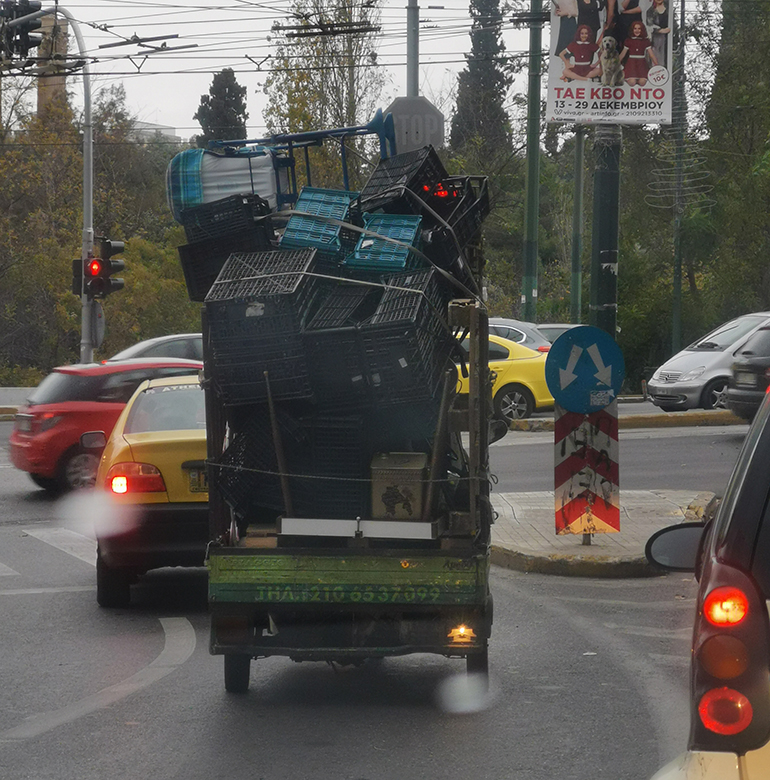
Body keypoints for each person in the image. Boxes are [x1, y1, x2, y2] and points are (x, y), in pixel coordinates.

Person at [620, 19, 658, 85]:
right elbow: (623, 54)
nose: (637, 31)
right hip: (631, 64)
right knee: (632, 82)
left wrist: (657, 65)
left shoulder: (645, 41)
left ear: (642, 30)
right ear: (632, 30)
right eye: (635, 28)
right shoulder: (628, 41)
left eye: (639, 29)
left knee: (642, 82)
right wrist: (615, 63)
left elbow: (651, 55)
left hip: (641, 64)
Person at [646, 0, 670, 69]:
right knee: (656, 59)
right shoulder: (650, 11)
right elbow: (649, 25)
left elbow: (673, 25)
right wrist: (660, 30)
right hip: (655, 39)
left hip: (667, 39)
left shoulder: (668, 10)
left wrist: (669, 30)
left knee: (665, 59)